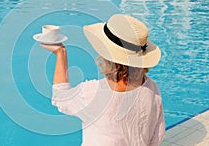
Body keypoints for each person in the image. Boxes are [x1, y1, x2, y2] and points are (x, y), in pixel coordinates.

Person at [40, 14, 165, 146]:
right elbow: (157, 136)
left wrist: (61, 53)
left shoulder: (92, 93)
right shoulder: (152, 89)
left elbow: (60, 97)